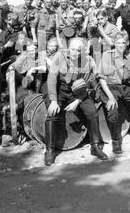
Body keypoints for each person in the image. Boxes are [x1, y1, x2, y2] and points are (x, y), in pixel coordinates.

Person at [42, 37, 107, 166]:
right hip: (58, 88)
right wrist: (54, 100)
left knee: (92, 111)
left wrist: (77, 101)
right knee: (52, 113)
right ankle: (49, 150)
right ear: (68, 48)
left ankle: (95, 146)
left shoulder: (86, 62)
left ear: (83, 51)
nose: (75, 53)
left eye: (78, 50)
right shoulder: (59, 56)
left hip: (77, 91)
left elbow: (87, 85)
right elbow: (52, 78)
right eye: (72, 49)